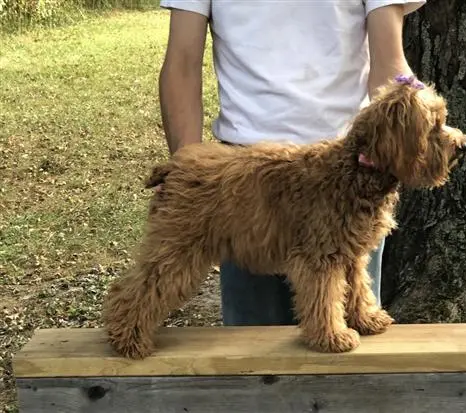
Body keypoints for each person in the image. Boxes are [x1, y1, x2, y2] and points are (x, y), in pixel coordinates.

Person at [157, 0, 426, 326]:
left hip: (348, 174)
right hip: (245, 180)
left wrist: (417, 123)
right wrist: (190, 175)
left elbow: (389, 66)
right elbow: (182, 65)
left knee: (347, 336)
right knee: (254, 348)